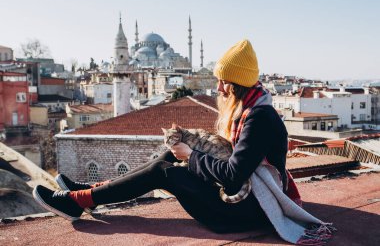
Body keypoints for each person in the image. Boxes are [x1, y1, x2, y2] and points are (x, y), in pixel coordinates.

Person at [33, 39, 299, 234]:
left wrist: (191, 155)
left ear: (238, 84)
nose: (218, 88)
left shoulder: (259, 118)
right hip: (242, 198)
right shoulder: (251, 110)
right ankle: (90, 192)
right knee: (167, 156)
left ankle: (78, 202)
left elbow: (233, 175)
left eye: (224, 82)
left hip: (247, 211)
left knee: (166, 170)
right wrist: (186, 151)